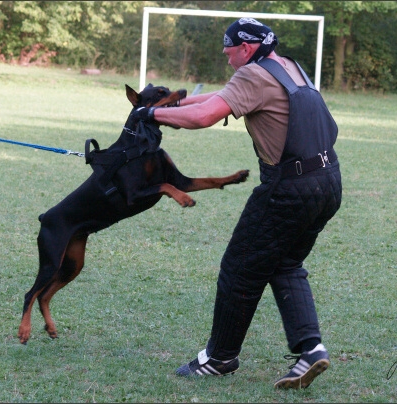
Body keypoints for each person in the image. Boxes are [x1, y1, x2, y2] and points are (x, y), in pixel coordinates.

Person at [133, 17, 342, 389]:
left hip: (288, 188)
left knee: (239, 266)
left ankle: (220, 357)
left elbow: (205, 115)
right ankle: (311, 349)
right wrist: (172, 105)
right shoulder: (290, 67)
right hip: (328, 183)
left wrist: (149, 113)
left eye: (230, 53)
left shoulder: (253, 75)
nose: (228, 60)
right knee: (285, 262)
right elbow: (214, 99)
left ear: (246, 49)